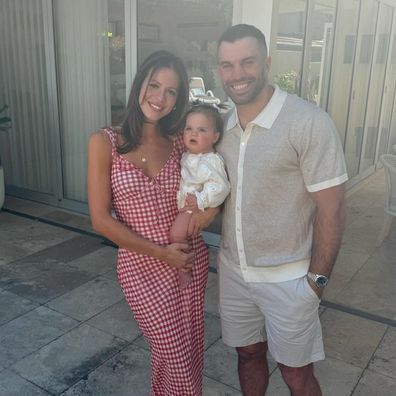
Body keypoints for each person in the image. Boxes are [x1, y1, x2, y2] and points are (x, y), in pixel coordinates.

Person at [214, 24, 348, 395]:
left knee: (295, 374)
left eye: (247, 62)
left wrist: (315, 284)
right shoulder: (221, 126)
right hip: (234, 273)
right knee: (247, 355)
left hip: (290, 280)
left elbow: (332, 211)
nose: (237, 74)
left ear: (267, 63)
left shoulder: (308, 122)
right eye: (227, 65)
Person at [87, 50, 215, 396]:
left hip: (188, 262)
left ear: (178, 100)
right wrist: (162, 253)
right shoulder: (105, 142)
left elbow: (215, 183)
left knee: (182, 354)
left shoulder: (179, 142)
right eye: (154, 85)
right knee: (177, 361)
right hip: (141, 269)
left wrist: (205, 215)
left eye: (171, 91)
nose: (160, 97)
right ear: (138, 83)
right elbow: (100, 219)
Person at [170, 104, 230, 289]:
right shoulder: (189, 154)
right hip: (186, 205)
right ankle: (189, 257)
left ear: (215, 136)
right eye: (189, 129)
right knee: (182, 235)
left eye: (201, 130)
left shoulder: (211, 160)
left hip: (193, 207)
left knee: (176, 234)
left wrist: (201, 200)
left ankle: (184, 268)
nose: (193, 134)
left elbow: (221, 187)